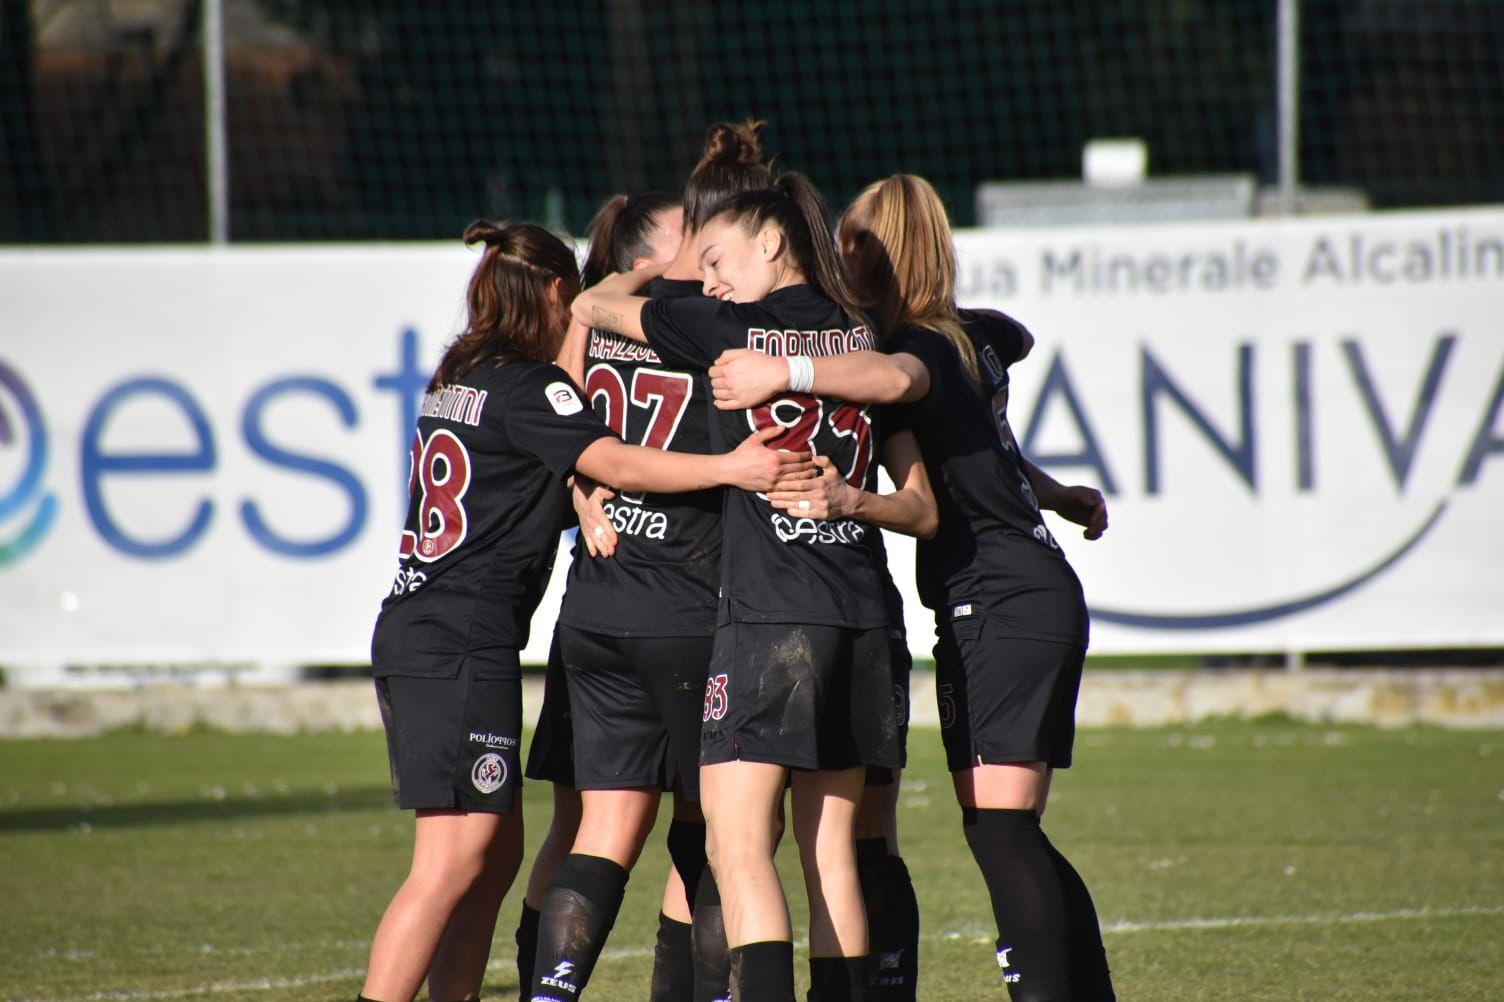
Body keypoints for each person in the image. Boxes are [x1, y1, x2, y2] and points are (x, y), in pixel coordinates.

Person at [358, 219, 814, 1002]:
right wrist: (729, 468)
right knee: (449, 862)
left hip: (429, 627)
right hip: (459, 641)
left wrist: (576, 494)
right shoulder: (531, 386)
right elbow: (615, 459)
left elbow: (527, 472)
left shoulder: (461, 375)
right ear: (551, 292)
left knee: (496, 857)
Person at [710, 174, 1115, 1001]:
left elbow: (895, 384)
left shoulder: (918, 349)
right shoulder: (972, 338)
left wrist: (782, 372)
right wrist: (1055, 492)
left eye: (852, 245)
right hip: (1033, 586)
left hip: (996, 598)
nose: (839, 259)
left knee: (1001, 833)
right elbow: (992, 415)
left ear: (881, 254)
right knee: (1012, 830)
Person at [572, 172, 937, 1002]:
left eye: (717, 258)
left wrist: (646, 273)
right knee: (832, 854)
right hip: (863, 617)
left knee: (736, 846)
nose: (707, 280)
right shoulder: (859, 330)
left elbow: (593, 306)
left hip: (772, 616)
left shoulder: (725, 327)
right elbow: (907, 403)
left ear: (772, 242)